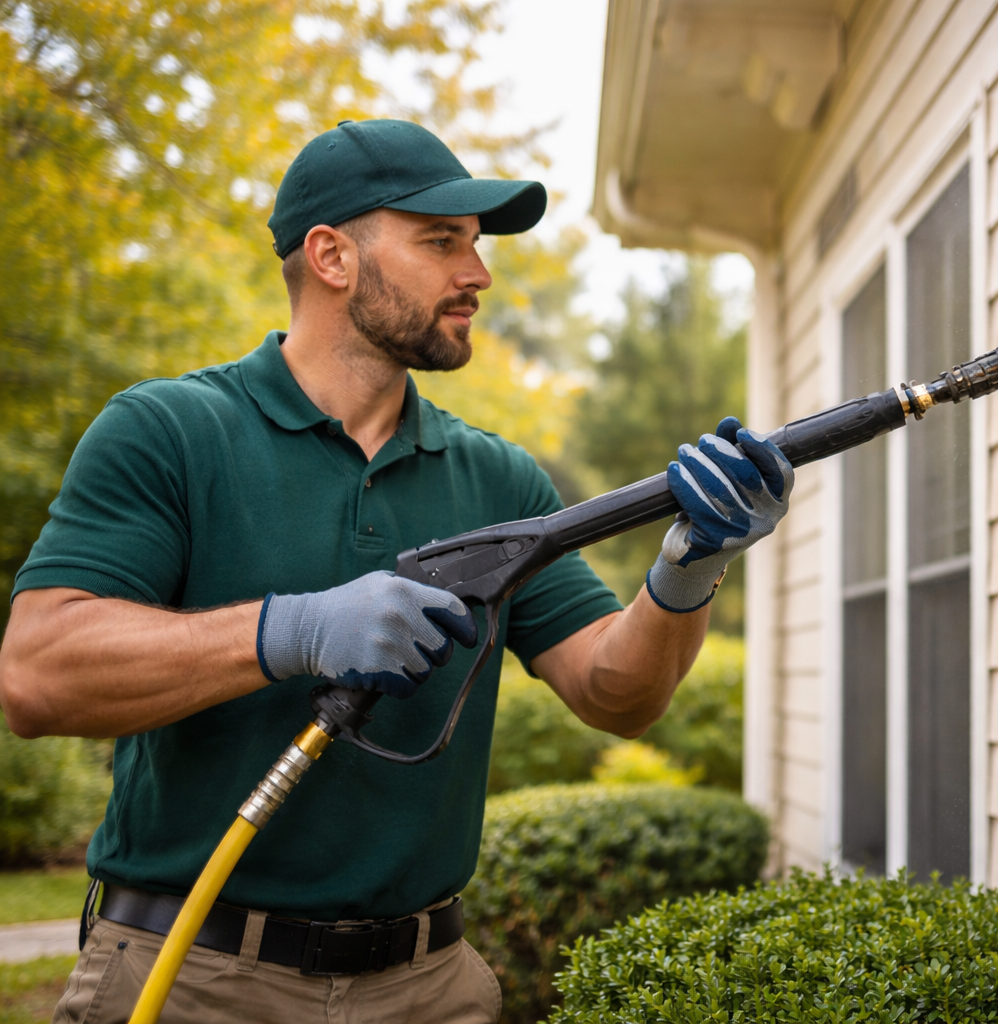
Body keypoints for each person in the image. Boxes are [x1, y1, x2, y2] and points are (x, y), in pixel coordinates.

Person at [0, 119, 792, 1024]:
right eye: (441, 241)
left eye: (477, 245)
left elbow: (617, 694)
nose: (478, 273)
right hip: (192, 978)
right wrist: (294, 631)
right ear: (332, 256)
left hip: (428, 988)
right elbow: (37, 674)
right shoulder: (171, 432)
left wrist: (688, 570)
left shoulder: (499, 479)